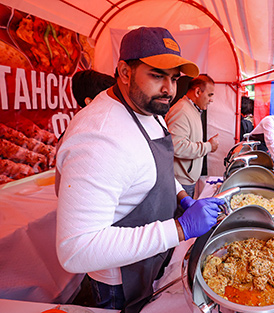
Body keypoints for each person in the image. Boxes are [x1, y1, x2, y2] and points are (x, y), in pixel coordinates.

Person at [55, 27, 225, 313]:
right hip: (119, 281)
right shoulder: (99, 136)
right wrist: (180, 229)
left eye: (173, 78)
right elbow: (76, 249)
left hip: (150, 260)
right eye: (157, 75)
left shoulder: (147, 109)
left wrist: (180, 195)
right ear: (124, 71)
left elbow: (154, 167)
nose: (169, 89)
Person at [165, 74, 218, 197]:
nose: (211, 100)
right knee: (181, 216)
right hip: (181, 182)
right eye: (210, 95)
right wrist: (209, 146)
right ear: (198, 92)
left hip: (186, 180)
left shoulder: (191, 109)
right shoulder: (182, 110)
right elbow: (177, 147)